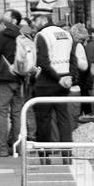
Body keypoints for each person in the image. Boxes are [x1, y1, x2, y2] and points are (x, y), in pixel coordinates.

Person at [31, 9, 76, 162]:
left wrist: (58, 78)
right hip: (64, 82)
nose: (33, 23)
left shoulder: (42, 35)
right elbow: (73, 59)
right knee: (64, 118)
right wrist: (70, 77)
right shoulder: (66, 34)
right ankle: (67, 155)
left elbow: (42, 62)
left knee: (44, 119)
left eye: (35, 19)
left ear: (43, 19)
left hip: (46, 83)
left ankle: (44, 155)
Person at [0, 8, 26, 157]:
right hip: (20, 78)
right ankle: (19, 147)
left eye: (6, 17)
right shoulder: (23, 35)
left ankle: (1, 148)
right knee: (17, 114)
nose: (3, 18)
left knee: (1, 113)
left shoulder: (4, 35)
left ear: (14, 20)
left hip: (5, 78)